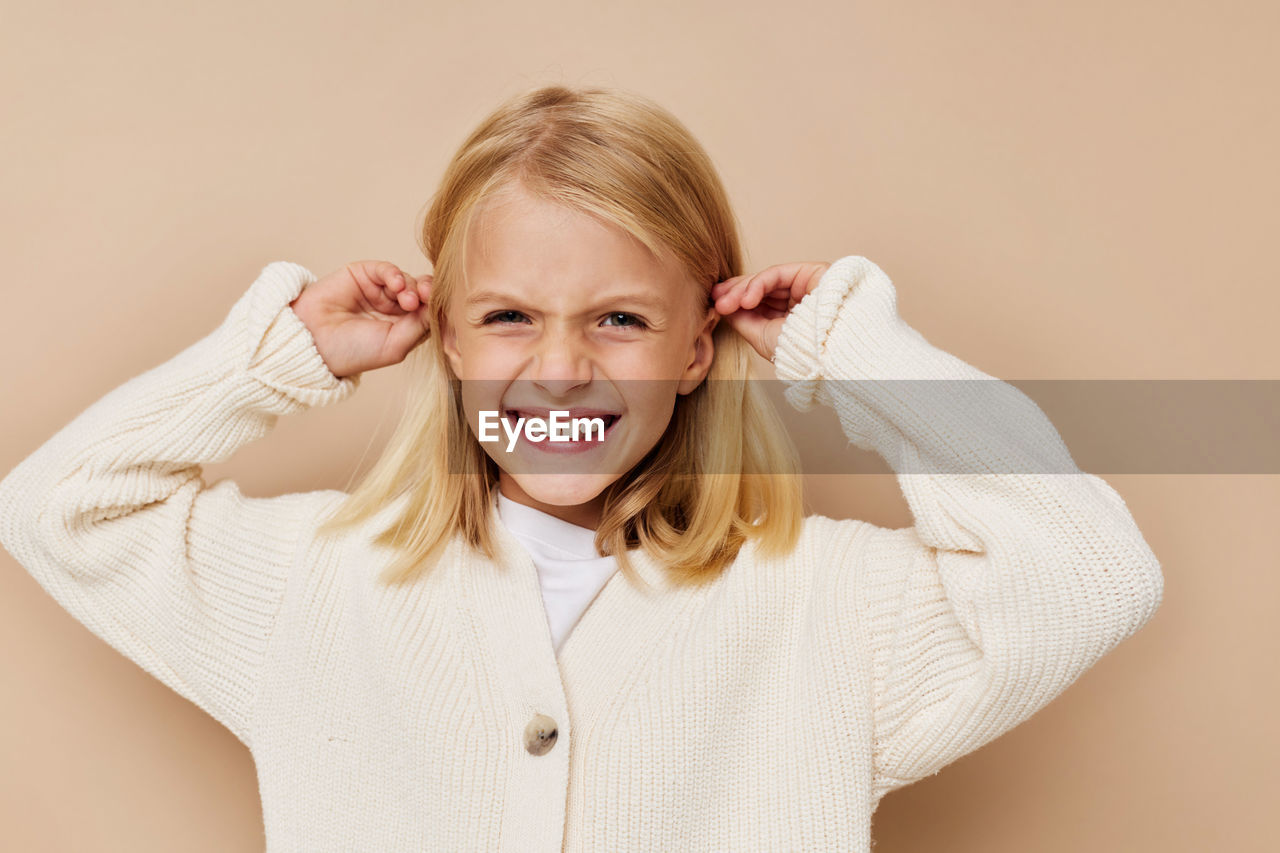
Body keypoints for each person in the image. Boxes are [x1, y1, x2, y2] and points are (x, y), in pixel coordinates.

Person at [0, 85, 1163, 852]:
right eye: (507, 316)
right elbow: (62, 505)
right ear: (444, 339)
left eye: (616, 320)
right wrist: (279, 358)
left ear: (697, 347)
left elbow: (1086, 575)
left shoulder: (827, 608)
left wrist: (852, 352)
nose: (557, 370)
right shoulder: (313, 587)